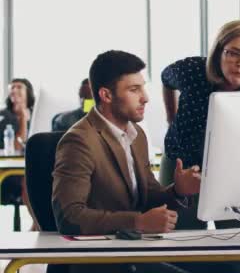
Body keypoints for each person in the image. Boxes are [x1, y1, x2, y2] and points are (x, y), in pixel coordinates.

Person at [52, 50, 201, 273]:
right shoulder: (79, 141)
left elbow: (148, 197)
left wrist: (177, 190)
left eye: (143, 87)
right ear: (106, 95)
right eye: (134, 89)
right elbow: (70, 217)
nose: (145, 97)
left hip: (133, 250)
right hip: (98, 261)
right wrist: (138, 223)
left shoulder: (136, 135)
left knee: (232, 267)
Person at [159, 20, 240, 273]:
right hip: (183, 166)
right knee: (181, 250)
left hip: (233, 174)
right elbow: (165, 78)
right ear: (219, 51)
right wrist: (172, 115)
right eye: (233, 53)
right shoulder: (193, 70)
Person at [0, 78, 37, 230]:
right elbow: (15, 147)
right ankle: (36, 224)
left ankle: (39, 225)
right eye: (12, 87)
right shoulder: (4, 117)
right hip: (9, 173)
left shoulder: (37, 113)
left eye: (18, 87)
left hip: (30, 167)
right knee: (28, 178)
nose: (14, 90)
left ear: (28, 91)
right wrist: (22, 117)